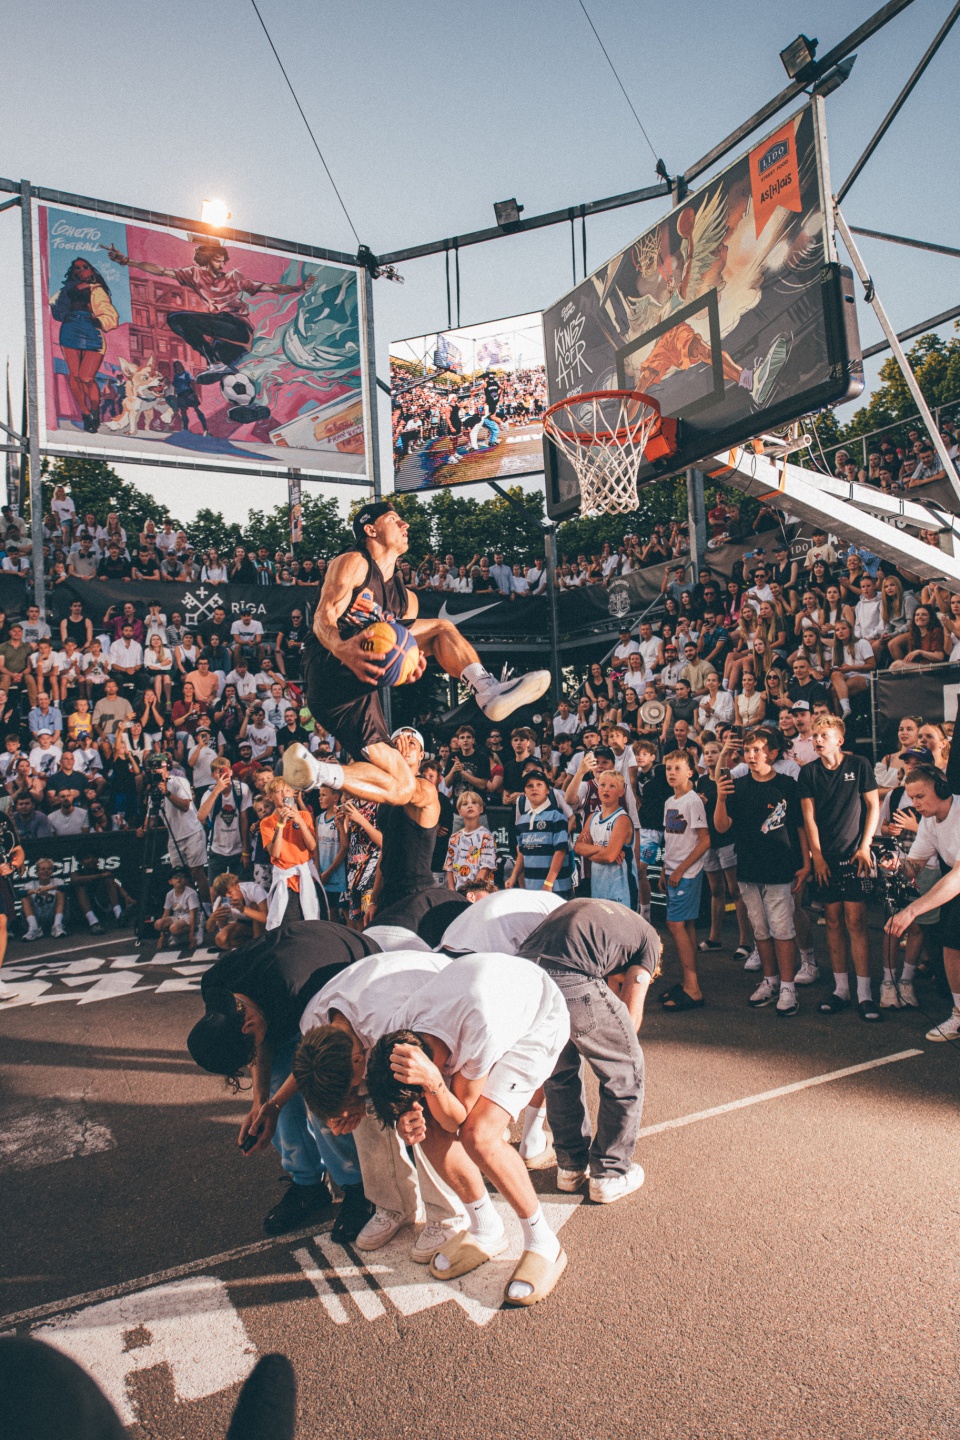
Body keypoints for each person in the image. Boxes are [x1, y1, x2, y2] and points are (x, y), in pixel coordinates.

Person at [284, 502, 549, 809]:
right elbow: (323, 617)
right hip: (329, 663)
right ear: (371, 530)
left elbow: (397, 657)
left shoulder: (406, 598)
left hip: (355, 698)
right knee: (440, 627)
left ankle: (314, 771)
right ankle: (487, 690)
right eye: (393, 519)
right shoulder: (354, 561)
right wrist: (342, 647)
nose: (405, 524)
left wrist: (406, 670)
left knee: (401, 786)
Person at [361, 954, 571, 1306]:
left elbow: (457, 1121)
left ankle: (543, 1243)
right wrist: (407, 1117)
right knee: (428, 1124)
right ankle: (486, 1227)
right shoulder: (397, 1036)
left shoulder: (479, 1026)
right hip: (483, 1000)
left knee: (479, 1136)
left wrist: (434, 1086)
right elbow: (426, 1111)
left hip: (538, 1016)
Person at [188, 919, 381, 1238]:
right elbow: (259, 1047)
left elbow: (315, 1063)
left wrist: (275, 1104)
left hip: (349, 965)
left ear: (248, 1025)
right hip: (286, 982)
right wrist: (261, 1102)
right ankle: (308, 1185)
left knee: (324, 1097)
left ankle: (358, 1187)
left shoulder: (293, 987)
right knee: (274, 1092)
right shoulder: (215, 986)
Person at [517, 898, 658, 1201]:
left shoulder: (609, 920)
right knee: (625, 1070)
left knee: (559, 1072)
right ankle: (610, 1173)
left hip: (526, 974)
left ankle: (569, 1167)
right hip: (570, 975)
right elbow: (631, 1019)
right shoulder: (650, 943)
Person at [714, 729, 810, 1016]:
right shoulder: (737, 785)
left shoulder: (787, 785)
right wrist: (720, 799)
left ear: (772, 753)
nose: (751, 755)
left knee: (783, 929)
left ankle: (788, 987)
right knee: (760, 930)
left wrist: (806, 862)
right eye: (747, 750)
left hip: (780, 866)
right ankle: (770, 981)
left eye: (757, 749)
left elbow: (800, 826)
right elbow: (721, 827)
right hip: (748, 867)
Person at [797, 715, 881, 1021]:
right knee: (832, 920)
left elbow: (873, 806)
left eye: (824, 735)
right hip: (826, 858)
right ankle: (841, 989)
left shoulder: (859, 764)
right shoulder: (808, 772)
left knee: (856, 920)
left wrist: (865, 846)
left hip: (855, 855)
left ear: (839, 740)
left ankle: (865, 994)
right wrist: (817, 857)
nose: (818, 739)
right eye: (815, 735)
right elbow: (809, 818)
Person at [658, 750, 710, 1011]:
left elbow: (705, 840)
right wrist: (665, 869)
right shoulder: (670, 801)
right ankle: (690, 982)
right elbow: (672, 838)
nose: (671, 773)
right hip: (673, 870)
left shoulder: (693, 801)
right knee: (685, 924)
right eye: (668, 768)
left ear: (690, 772)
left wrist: (680, 870)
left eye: (677, 768)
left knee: (675, 923)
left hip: (686, 873)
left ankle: (693, 989)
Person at [574, 770, 636, 908]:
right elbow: (577, 847)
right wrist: (602, 849)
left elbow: (609, 857)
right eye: (602, 785)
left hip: (621, 892)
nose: (606, 789)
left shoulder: (622, 819)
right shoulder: (592, 817)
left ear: (621, 792)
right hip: (598, 888)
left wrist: (589, 851)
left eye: (612, 786)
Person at [507, 770, 574, 896]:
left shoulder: (557, 815)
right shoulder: (522, 820)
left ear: (547, 790)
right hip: (532, 888)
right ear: (524, 792)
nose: (534, 788)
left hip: (555, 888)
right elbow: (522, 852)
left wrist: (549, 883)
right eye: (529, 786)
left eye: (539, 784)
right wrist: (514, 876)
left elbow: (560, 851)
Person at [444, 790, 496, 893]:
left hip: (480, 890)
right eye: (465, 804)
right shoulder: (454, 837)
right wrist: (452, 890)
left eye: (474, 802)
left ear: (481, 809)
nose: (470, 806)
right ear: (459, 812)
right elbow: (449, 867)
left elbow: (486, 867)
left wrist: (472, 891)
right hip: (459, 892)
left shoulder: (486, 836)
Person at [207, 871, 268, 950]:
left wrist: (243, 909)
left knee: (254, 906)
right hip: (244, 925)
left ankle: (256, 943)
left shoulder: (253, 889)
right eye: (223, 894)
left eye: (230, 892)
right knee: (220, 939)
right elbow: (209, 929)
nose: (227, 896)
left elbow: (266, 918)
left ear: (237, 886)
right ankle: (250, 944)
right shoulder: (222, 900)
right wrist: (213, 917)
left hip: (264, 925)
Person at [154, 867, 201, 953]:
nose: (179, 879)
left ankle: (196, 931)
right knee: (158, 924)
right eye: (175, 877)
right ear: (170, 881)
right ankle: (176, 935)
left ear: (186, 880)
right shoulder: (169, 894)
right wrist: (162, 936)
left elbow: (193, 914)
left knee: (174, 928)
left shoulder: (191, 893)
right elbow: (166, 913)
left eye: (182, 876)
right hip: (178, 917)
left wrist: (191, 934)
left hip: (190, 918)